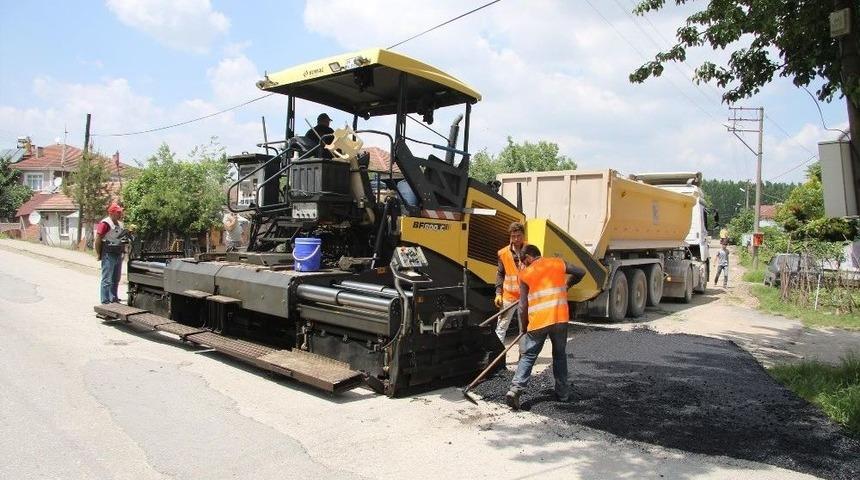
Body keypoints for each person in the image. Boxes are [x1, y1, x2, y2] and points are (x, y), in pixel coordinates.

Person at [505, 245, 586, 410]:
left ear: (528, 257)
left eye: (523, 261)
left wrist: (523, 327)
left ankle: (515, 390)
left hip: (539, 321)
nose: (523, 265)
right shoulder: (557, 263)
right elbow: (581, 272)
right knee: (559, 355)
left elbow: (522, 306)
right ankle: (563, 394)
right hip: (559, 318)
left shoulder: (525, 274)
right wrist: (568, 284)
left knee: (528, 356)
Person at [494, 222, 527, 343]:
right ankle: (498, 355)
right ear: (510, 236)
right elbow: (500, 274)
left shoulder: (530, 250)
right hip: (509, 296)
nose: (516, 239)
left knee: (524, 328)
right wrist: (498, 293)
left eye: (519, 236)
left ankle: (523, 357)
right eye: (513, 236)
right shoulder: (503, 253)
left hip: (525, 296)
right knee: (501, 327)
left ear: (523, 235)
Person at [94, 203, 127, 304]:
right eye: (118, 212)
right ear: (111, 213)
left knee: (116, 278)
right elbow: (98, 239)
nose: (120, 214)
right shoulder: (105, 223)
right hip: (108, 253)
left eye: (120, 212)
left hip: (118, 253)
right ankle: (105, 300)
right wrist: (98, 253)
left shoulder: (120, 224)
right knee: (107, 279)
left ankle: (113, 298)